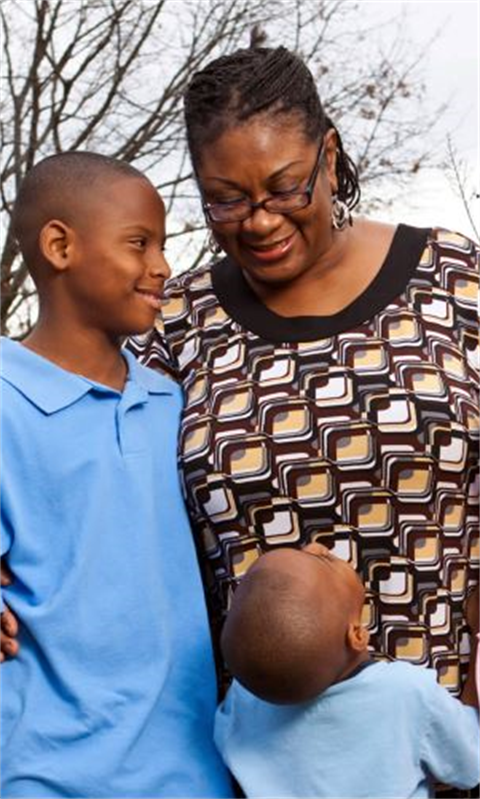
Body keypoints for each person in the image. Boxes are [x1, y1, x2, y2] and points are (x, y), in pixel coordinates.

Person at [126, 44, 479, 705]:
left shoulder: (453, 278)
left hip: (443, 727)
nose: (261, 221)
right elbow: (100, 491)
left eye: (286, 187)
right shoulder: (174, 323)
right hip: (253, 744)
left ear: (330, 156)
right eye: (226, 200)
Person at [0, 152, 233, 799]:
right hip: (45, 775)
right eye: (139, 243)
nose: (162, 266)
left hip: (194, 773)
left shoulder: (173, 405)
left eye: (162, 245)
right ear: (60, 246)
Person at [214, 544, 480, 799]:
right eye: (323, 562)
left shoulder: (242, 702)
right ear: (357, 635)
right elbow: (472, 762)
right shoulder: (406, 694)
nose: (315, 547)